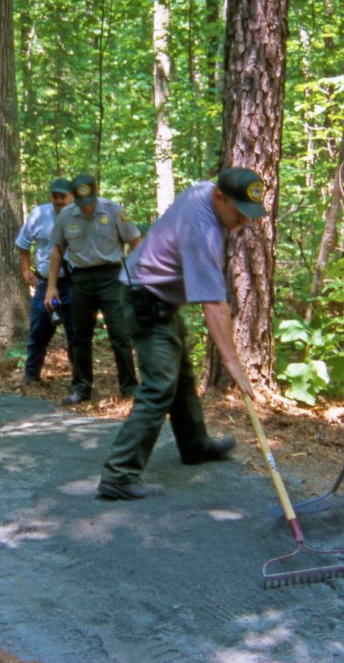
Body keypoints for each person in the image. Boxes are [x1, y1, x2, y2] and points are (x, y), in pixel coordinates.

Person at [96, 168, 263, 500]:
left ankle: (195, 445)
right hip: (146, 301)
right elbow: (214, 304)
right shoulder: (204, 232)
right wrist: (232, 363)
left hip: (161, 300)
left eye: (251, 213)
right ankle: (119, 474)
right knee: (159, 386)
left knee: (182, 377)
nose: (246, 222)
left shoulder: (206, 191)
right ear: (220, 198)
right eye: (240, 213)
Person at [45, 173, 141, 405]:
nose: (86, 209)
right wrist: (51, 287)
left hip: (112, 277)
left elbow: (136, 241)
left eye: (89, 204)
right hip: (81, 279)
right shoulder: (66, 215)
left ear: (96, 192)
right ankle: (81, 387)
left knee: (120, 334)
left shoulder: (114, 211)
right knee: (79, 336)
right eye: (81, 204)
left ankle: (129, 387)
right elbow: (57, 249)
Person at [16, 178, 76, 385]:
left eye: (63, 197)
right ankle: (31, 375)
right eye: (55, 196)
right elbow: (23, 243)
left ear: (72, 197)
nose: (58, 201)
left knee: (76, 332)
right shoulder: (39, 214)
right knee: (39, 327)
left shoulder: (81, 214)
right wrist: (25, 270)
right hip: (45, 282)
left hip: (74, 282)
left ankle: (80, 380)